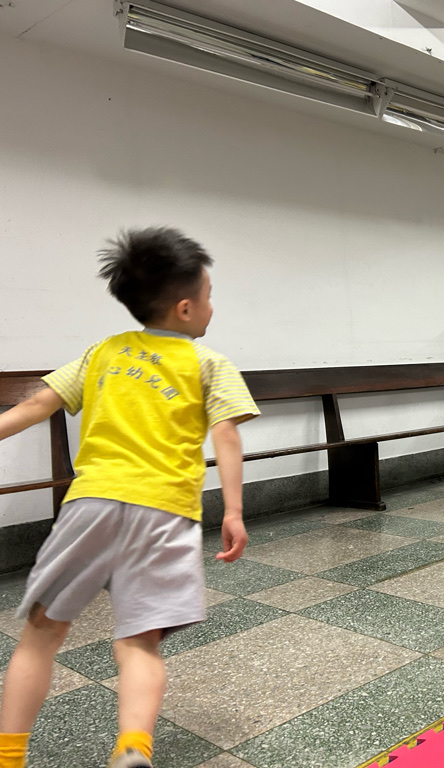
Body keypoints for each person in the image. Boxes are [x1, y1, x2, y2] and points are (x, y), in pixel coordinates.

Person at [0, 228, 259, 768]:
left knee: (41, 634)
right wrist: (234, 511)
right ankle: (133, 748)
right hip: (166, 512)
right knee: (140, 642)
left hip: (92, 504)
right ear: (186, 308)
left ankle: (8, 756)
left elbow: (36, 406)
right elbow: (227, 436)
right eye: (209, 296)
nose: (212, 306)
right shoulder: (209, 364)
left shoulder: (104, 352)